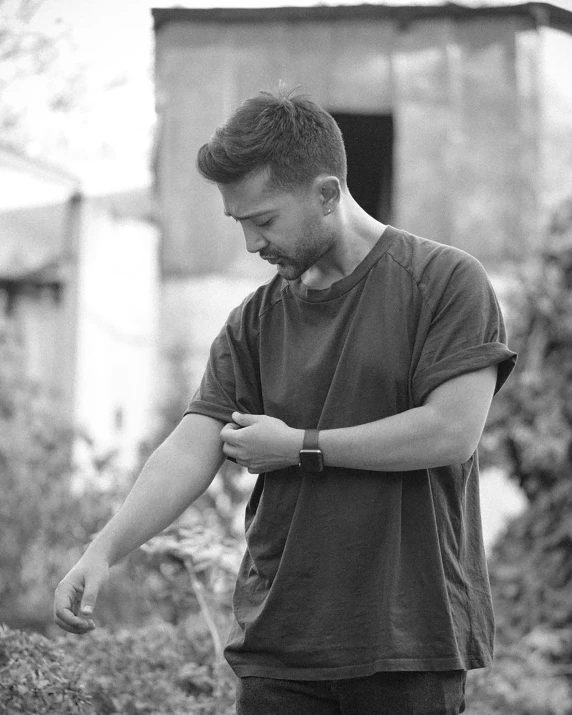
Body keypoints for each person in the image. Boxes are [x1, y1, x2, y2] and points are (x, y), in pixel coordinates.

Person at [54, 88, 517, 715]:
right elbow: (193, 444)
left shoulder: (444, 282)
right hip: (279, 647)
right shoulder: (255, 319)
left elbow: (449, 433)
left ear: (327, 193)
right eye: (240, 222)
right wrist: (103, 549)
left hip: (408, 643)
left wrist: (301, 448)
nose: (251, 244)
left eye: (264, 220)